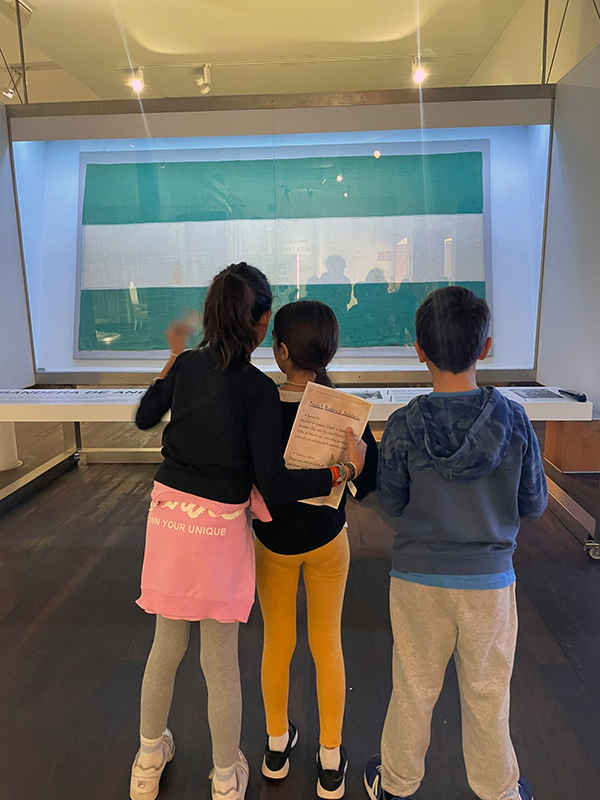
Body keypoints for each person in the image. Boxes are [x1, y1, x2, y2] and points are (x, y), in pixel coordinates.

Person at [130, 263, 366, 800]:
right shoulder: (258, 389)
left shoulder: (187, 366)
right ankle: (224, 779)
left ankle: (146, 761)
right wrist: (340, 471)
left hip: (169, 519)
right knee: (219, 662)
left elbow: (146, 417)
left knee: (165, 646)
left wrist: (175, 354)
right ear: (262, 327)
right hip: (219, 530)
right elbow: (275, 484)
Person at [364, 286, 547, 800]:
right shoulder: (514, 421)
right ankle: (499, 791)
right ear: (486, 347)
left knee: (413, 687)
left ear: (418, 350)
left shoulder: (403, 423)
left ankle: (396, 785)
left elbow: (391, 505)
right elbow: (534, 504)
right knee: (489, 693)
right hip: (491, 585)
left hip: (417, 582)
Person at [253, 300, 378, 800]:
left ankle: (276, 747)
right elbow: (367, 482)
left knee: (277, 642)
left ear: (281, 352)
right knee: (328, 643)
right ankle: (330, 760)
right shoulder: (346, 409)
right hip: (328, 540)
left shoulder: (261, 405)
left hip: (273, 543)